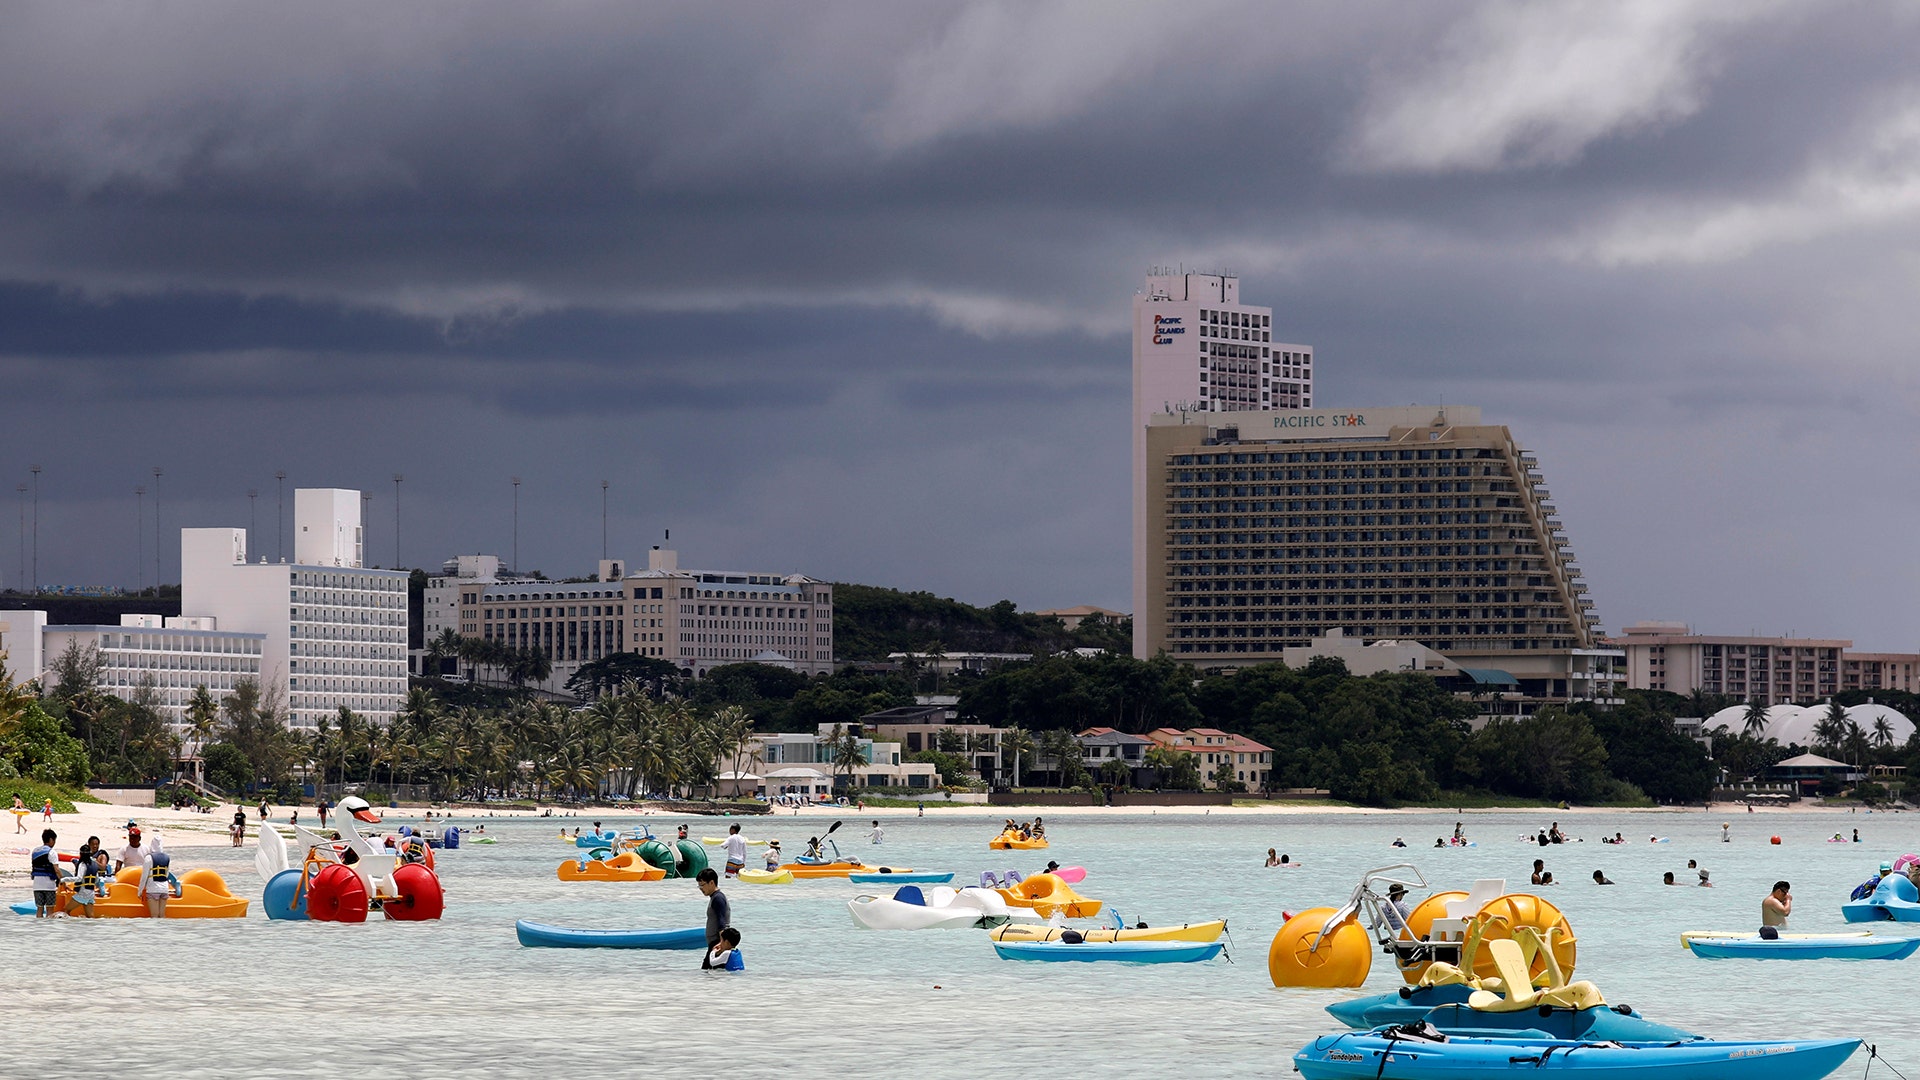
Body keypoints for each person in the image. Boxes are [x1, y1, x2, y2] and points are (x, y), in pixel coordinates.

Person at [697, 868, 731, 969]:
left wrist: (721, 945)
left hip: (717, 943)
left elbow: (722, 923)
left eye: (702, 885)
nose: (700, 888)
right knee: (713, 975)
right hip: (716, 943)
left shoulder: (718, 898)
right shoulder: (715, 897)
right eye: (699, 885)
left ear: (711, 883)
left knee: (707, 973)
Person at [30, 828, 63, 918]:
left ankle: (39, 929)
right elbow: (56, 869)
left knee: (39, 909)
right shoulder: (51, 852)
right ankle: (49, 930)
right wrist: (62, 880)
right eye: (54, 840)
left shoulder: (35, 851)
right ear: (51, 840)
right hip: (49, 886)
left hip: (37, 885)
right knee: (50, 910)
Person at [142, 834, 177, 918]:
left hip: (153, 888)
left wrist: (140, 891)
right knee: (162, 915)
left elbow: (144, 877)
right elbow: (167, 874)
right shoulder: (167, 857)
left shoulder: (149, 858)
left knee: (154, 916)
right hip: (164, 888)